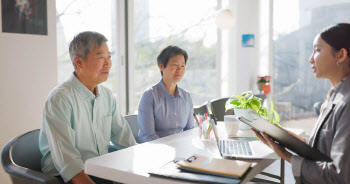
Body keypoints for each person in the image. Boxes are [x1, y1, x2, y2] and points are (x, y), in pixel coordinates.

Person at [254, 23, 350, 183]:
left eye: (317, 50)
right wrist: (287, 138)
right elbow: (323, 149)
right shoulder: (334, 95)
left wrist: (286, 155)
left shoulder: (347, 103)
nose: (311, 59)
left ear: (341, 55)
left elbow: (338, 176)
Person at [39, 31, 137, 184]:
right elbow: (68, 164)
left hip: (100, 170)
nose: (108, 64)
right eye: (101, 58)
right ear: (79, 62)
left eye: (109, 57)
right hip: (66, 178)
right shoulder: (59, 98)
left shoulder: (107, 95)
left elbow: (126, 141)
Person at [138, 45, 194, 143]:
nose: (180, 69)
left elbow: (190, 130)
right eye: (175, 65)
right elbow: (148, 136)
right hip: (158, 152)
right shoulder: (149, 96)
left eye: (183, 65)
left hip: (183, 150)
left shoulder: (186, 96)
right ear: (161, 66)